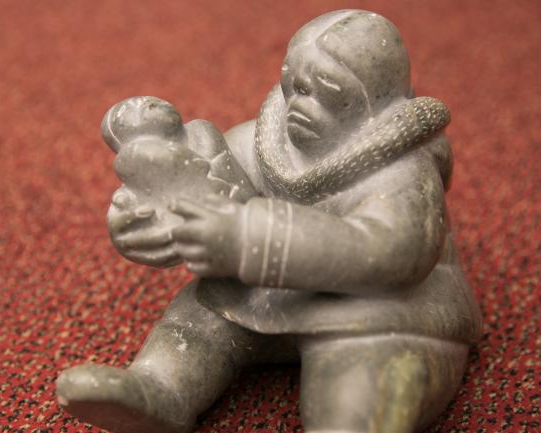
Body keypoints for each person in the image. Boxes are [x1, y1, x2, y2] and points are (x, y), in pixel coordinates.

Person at [56, 10, 481, 433]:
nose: (299, 102)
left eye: (327, 90)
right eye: (294, 84)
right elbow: (214, 188)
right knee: (198, 319)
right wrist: (153, 219)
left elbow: (394, 250)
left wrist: (251, 239)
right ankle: (160, 389)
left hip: (379, 308)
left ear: (373, 104)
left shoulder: (402, 172)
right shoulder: (267, 141)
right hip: (268, 292)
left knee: (363, 374)